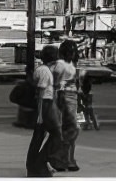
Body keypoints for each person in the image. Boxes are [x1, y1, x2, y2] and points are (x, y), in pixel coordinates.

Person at [26, 45, 63, 178]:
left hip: (46, 104)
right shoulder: (44, 71)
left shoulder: (44, 70)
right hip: (45, 105)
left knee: (39, 137)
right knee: (57, 135)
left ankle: (34, 166)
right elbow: (41, 93)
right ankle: (40, 162)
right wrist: (41, 115)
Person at [51, 40, 81, 172]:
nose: (72, 53)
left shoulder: (71, 64)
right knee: (72, 129)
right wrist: (59, 96)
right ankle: (60, 157)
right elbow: (55, 83)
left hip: (73, 97)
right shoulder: (60, 64)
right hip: (64, 96)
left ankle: (67, 159)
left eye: (74, 50)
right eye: (70, 50)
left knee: (71, 130)